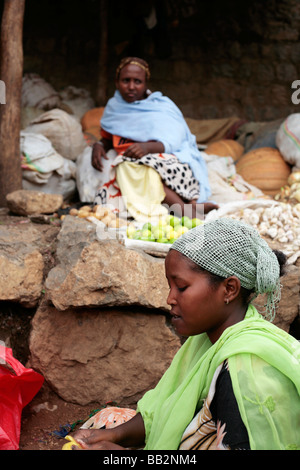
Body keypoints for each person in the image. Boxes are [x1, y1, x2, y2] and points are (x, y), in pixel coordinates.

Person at [72, 218, 300, 450]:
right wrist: (114, 437)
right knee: (107, 419)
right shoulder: (207, 340)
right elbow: (163, 410)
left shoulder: (243, 371)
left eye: (181, 287)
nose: (170, 299)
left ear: (229, 289)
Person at [91, 57, 217, 220]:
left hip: (165, 156)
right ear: (116, 83)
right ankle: (188, 207)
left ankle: (189, 213)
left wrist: (147, 148)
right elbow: (109, 136)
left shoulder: (161, 105)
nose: (131, 87)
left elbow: (175, 138)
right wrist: (100, 144)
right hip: (132, 158)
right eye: (125, 81)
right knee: (133, 167)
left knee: (146, 169)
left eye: (137, 82)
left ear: (146, 84)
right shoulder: (114, 107)